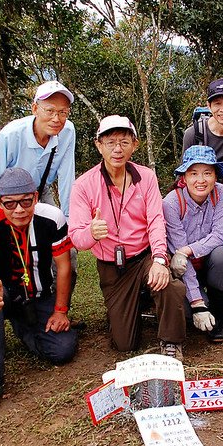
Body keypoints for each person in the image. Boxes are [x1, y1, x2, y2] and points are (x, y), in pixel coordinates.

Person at [68, 115, 187, 359]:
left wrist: (159, 260)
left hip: (143, 257)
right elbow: (77, 238)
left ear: (135, 144)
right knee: (125, 344)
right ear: (98, 145)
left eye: (124, 141)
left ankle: (171, 342)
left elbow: (155, 221)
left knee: (170, 286)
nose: (117, 149)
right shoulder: (84, 185)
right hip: (111, 266)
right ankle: (131, 308)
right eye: (110, 142)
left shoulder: (146, 177)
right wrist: (91, 233)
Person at [0, 168, 78, 414]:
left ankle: (22, 325)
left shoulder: (52, 218)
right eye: (10, 204)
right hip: (5, 292)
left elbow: (64, 266)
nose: (19, 209)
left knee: (62, 350)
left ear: (36, 197)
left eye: (26, 202)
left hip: (40, 294)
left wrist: (60, 311)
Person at [0, 80, 79, 291]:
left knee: (65, 252)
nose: (56, 118)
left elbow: (67, 175)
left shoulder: (68, 131)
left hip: (41, 192)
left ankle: (59, 311)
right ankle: (13, 301)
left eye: (63, 112)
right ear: (35, 108)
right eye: (49, 110)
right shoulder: (11, 135)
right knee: (14, 251)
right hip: (10, 200)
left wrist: (69, 222)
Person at [163, 145, 223, 343]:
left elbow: (222, 234)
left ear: (216, 176)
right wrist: (197, 303)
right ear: (184, 178)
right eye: (193, 173)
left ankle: (218, 314)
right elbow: (178, 256)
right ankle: (202, 303)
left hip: (209, 261)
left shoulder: (220, 193)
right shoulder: (172, 202)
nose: (201, 180)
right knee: (187, 313)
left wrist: (188, 250)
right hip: (182, 269)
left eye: (207, 173)